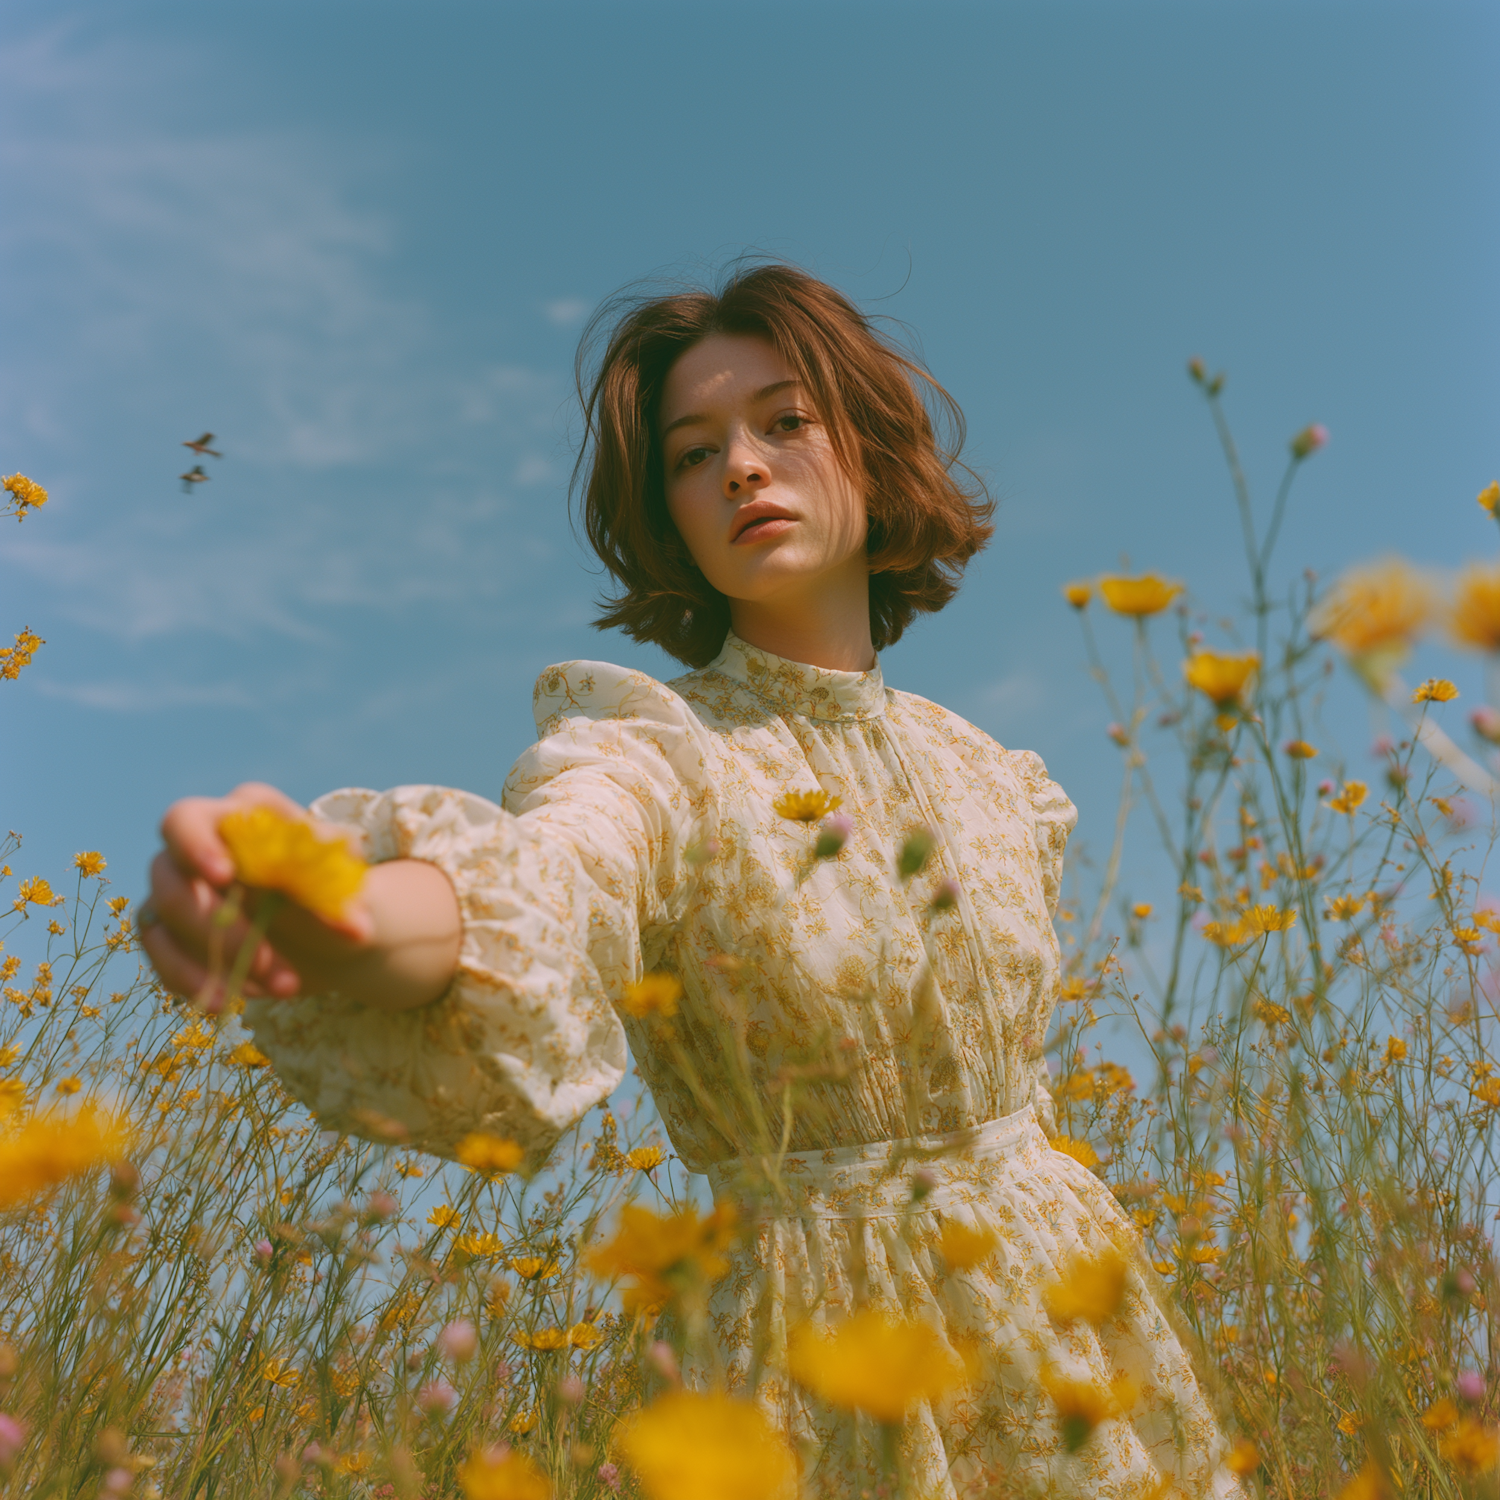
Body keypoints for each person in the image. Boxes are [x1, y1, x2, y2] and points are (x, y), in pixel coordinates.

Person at [140, 262, 1240, 1497]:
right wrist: (339, 916)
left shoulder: (995, 775)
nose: (741, 467)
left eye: (784, 422)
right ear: (666, 511)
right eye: (690, 451)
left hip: (1071, 1319)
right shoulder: (653, 749)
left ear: (871, 452)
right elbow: (552, 876)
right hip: (813, 1360)